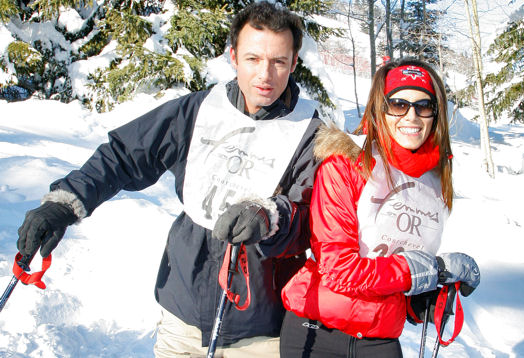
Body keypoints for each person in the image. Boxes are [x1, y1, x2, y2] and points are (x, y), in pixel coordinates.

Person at [15, 2, 325, 357]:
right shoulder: (198, 110)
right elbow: (125, 155)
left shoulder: (310, 133)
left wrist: (269, 216)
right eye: (253, 59)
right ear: (234, 56)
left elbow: (310, 216)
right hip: (183, 315)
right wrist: (64, 204)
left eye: (278, 61)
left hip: (260, 330)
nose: (264, 75)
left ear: (294, 63)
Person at [280, 58, 481, 357]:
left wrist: (422, 299)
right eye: (398, 104)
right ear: (379, 109)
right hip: (316, 331)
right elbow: (339, 271)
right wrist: (430, 270)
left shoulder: (432, 183)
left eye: (424, 106)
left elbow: (398, 258)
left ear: (435, 115)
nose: (411, 116)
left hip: (380, 336)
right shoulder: (345, 165)